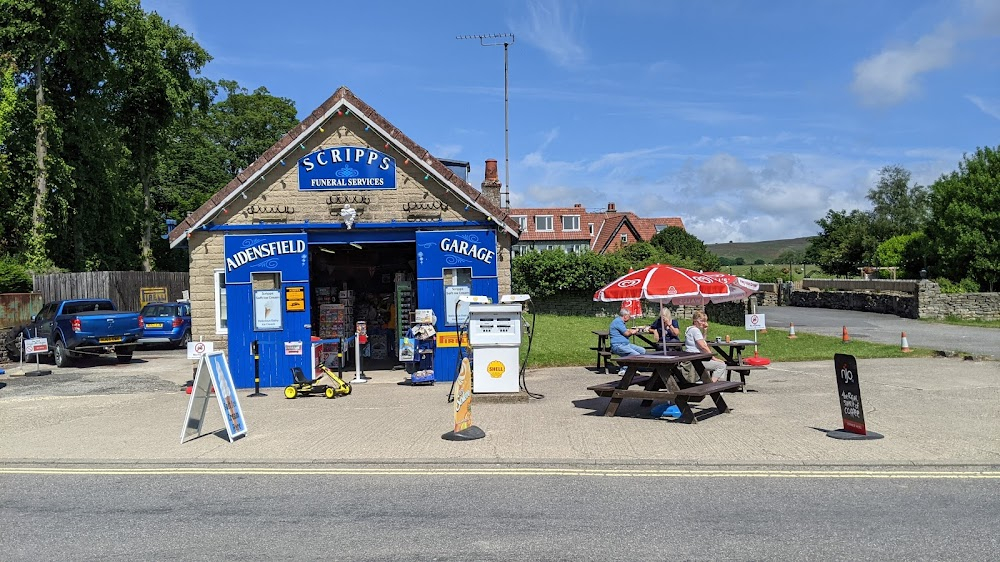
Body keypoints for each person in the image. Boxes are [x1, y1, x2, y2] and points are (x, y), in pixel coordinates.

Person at [683, 311, 727, 382]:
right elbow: (703, 346)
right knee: (721, 365)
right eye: (702, 321)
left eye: (705, 321)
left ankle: (716, 384)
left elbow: (702, 341)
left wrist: (705, 331)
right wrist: (712, 357)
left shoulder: (689, 329)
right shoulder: (695, 331)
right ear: (695, 321)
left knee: (721, 364)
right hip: (696, 360)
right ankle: (712, 385)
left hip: (692, 358)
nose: (704, 323)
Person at [609, 307, 645, 375]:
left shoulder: (621, 322)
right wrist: (635, 331)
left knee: (642, 351)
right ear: (625, 316)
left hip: (625, 344)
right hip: (618, 345)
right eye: (629, 316)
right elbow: (627, 333)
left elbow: (625, 331)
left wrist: (631, 330)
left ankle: (632, 367)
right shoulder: (618, 322)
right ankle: (624, 369)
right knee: (635, 354)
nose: (630, 318)